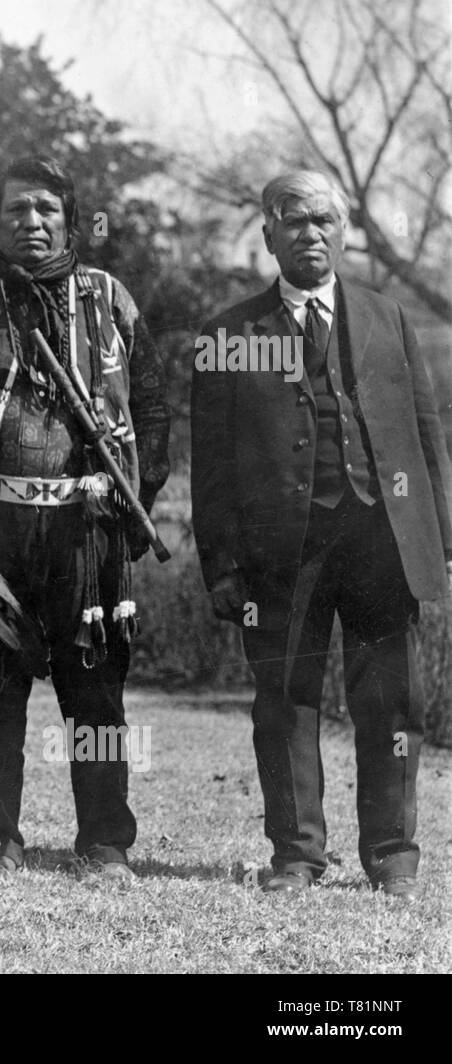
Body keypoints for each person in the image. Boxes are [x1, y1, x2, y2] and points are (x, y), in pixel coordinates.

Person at [191, 170, 452, 901]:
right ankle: (297, 856)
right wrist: (220, 566)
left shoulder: (387, 319)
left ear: (344, 231)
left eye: (326, 220)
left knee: (393, 702)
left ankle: (394, 854)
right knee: (283, 701)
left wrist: (443, 543)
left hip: (382, 541)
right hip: (281, 553)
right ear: (268, 233)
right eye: (295, 220)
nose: (312, 233)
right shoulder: (231, 334)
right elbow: (210, 463)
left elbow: (426, 437)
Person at [0, 156, 170, 883]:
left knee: (94, 690)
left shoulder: (109, 301)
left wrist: (135, 503)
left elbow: (152, 409)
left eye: (44, 211)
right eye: (15, 211)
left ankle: (105, 843)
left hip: (87, 530)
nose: (29, 223)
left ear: (70, 221)